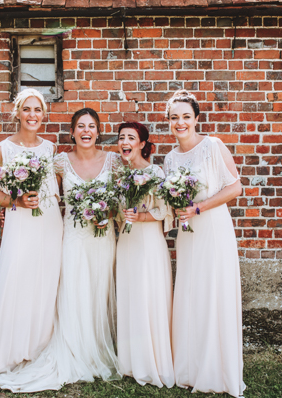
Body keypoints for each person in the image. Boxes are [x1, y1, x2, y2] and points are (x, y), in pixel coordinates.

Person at [0, 108, 121, 392]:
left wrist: (109, 212)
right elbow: (40, 192)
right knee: (74, 292)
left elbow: (120, 201)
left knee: (98, 292)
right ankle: (74, 349)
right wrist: (13, 208)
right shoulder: (60, 162)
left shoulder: (113, 161)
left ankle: (96, 348)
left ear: (98, 132)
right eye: (80, 126)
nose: (86, 131)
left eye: (91, 126)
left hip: (103, 238)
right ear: (73, 132)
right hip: (74, 239)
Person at [0, 88, 63, 382]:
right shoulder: (3, 149)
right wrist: (16, 201)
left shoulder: (50, 148)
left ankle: (37, 348)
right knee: (15, 281)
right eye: (27, 109)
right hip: (20, 222)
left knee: (45, 283)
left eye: (38, 110)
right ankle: (2, 354)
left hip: (49, 222)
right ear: (18, 114)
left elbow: (55, 189)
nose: (32, 115)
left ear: (44, 114)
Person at [163, 90, 245, 397]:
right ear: (169, 122)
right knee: (191, 291)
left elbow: (236, 187)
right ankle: (190, 367)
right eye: (174, 117)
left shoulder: (212, 146)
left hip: (212, 227)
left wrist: (199, 207)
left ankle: (217, 370)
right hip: (188, 234)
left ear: (196, 119)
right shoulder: (170, 159)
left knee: (214, 292)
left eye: (186, 116)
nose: (180, 122)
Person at [115, 122, 175, 388]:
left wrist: (140, 216)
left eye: (131, 137)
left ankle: (153, 362)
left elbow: (165, 211)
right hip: (126, 242)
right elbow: (117, 212)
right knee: (130, 296)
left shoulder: (156, 172)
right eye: (121, 138)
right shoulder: (119, 175)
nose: (125, 141)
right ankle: (130, 362)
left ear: (141, 144)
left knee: (148, 296)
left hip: (148, 242)